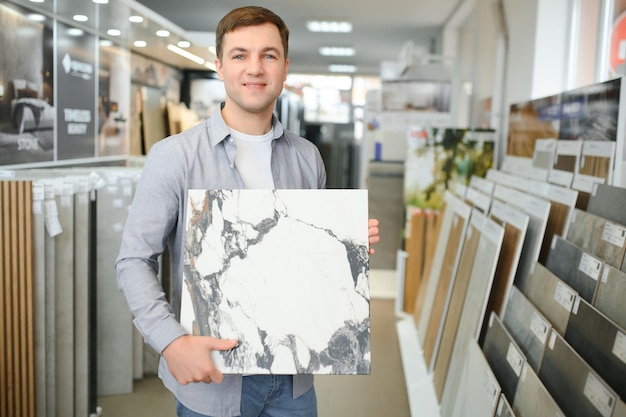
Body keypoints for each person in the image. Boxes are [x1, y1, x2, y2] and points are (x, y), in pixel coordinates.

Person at [115, 5, 380, 417]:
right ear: (219, 66)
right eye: (240, 55)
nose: (255, 68)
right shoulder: (174, 157)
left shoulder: (308, 158)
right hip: (214, 385)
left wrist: (348, 249)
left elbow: (304, 264)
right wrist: (170, 341)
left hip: (293, 380)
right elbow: (133, 260)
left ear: (285, 67)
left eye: (268, 55)